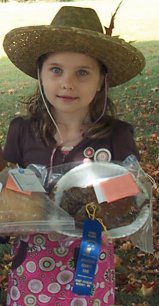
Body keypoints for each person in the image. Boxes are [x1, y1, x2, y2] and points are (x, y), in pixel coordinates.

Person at [2, 5, 145, 306]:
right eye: (56, 69)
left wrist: (84, 201)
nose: (67, 83)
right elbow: (11, 188)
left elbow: (132, 191)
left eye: (82, 72)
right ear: (40, 73)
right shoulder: (23, 131)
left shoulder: (116, 136)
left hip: (89, 265)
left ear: (101, 80)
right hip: (32, 266)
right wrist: (12, 215)